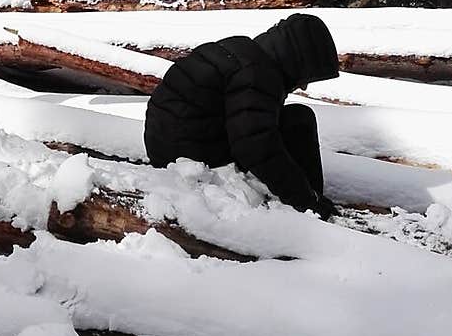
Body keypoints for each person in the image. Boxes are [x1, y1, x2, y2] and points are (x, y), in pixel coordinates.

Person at [143, 12, 340, 218]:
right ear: (298, 60)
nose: (304, 85)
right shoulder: (258, 73)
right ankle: (314, 206)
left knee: (290, 118)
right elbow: (255, 146)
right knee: (299, 120)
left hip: (166, 146)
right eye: (307, 76)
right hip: (191, 158)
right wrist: (304, 198)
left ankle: (309, 194)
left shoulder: (242, 50)